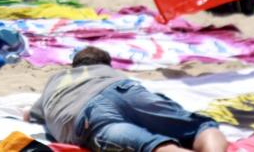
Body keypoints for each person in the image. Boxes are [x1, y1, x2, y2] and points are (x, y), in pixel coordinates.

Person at [25, 46, 228, 152]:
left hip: (85, 117)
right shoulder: (108, 72)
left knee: (153, 147)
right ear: (106, 64)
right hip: (123, 90)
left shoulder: (56, 79)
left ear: (74, 66)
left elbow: (30, 114)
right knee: (201, 126)